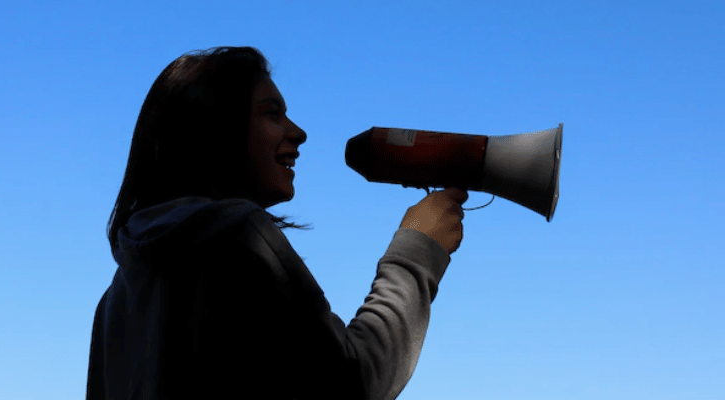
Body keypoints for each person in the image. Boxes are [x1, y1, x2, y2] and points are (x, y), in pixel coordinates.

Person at [85, 46, 468, 400]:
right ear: (216, 128)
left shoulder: (115, 302)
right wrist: (418, 249)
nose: (298, 132)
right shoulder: (238, 234)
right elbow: (352, 382)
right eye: (272, 113)